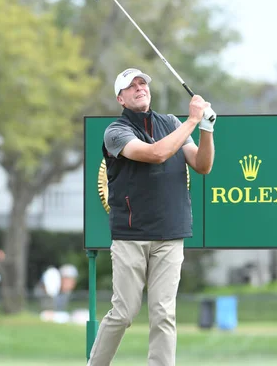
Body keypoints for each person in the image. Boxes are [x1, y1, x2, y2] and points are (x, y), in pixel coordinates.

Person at [87, 68, 216, 366]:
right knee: (123, 312)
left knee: (164, 313)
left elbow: (202, 164)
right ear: (120, 98)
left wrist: (206, 129)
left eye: (142, 83)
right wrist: (193, 121)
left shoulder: (170, 123)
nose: (139, 88)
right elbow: (155, 154)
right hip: (131, 235)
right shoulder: (115, 132)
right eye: (131, 86)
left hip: (170, 233)